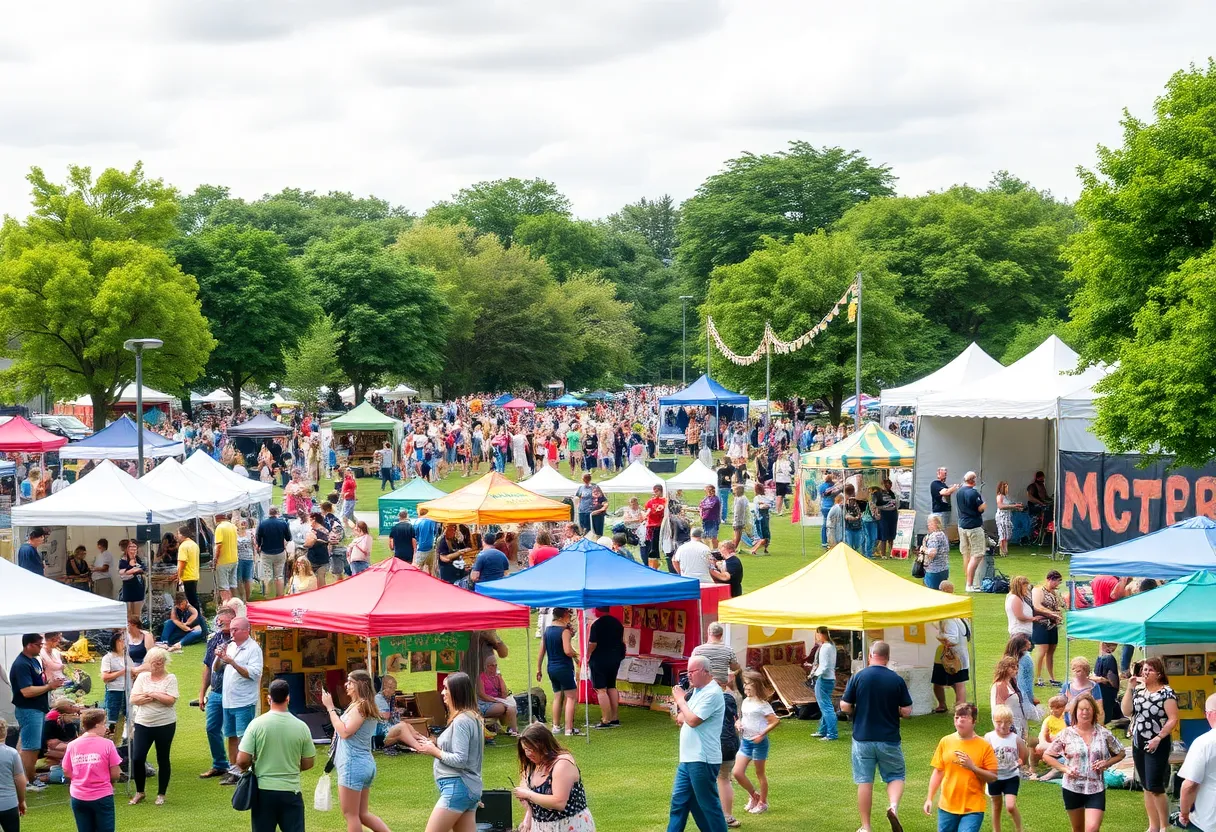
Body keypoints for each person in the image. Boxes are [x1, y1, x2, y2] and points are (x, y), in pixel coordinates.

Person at [840, 641, 913, 832]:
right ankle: (893, 806)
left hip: (862, 737)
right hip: (889, 737)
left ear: (870, 655)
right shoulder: (896, 680)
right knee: (895, 775)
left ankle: (866, 827)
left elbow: (845, 706)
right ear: (887, 658)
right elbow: (906, 710)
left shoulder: (858, 677)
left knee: (865, 780)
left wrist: (856, 710)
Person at [402, 672, 484, 832]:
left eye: (446, 688)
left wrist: (434, 751)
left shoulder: (461, 721)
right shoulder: (472, 717)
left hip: (458, 787)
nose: (442, 692)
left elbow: (460, 759)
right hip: (469, 787)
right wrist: (432, 743)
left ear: (457, 692)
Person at [236, 678, 316, 832]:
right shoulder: (301, 727)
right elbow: (308, 762)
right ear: (288, 698)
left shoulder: (256, 725)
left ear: (268, 698)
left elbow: (242, 760)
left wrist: (252, 765)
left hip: (263, 792)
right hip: (291, 790)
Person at [1044, 693, 1125, 832]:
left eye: (1088, 709)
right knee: (1078, 829)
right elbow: (1047, 755)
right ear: (1075, 712)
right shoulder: (1067, 734)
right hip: (1072, 787)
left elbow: (1121, 753)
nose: (1085, 712)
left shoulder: (1103, 733)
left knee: (1092, 828)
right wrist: (1065, 769)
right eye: (1081, 709)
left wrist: (1107, 763)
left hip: (1096, 787)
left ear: (1094, 711)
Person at [321, 670, 390, 832]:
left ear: (361, 684)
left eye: (350, 682)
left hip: (353, 765)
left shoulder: (362, 706)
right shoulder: (360, 705)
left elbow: (345, 732)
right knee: (362, 814)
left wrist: (330, 708)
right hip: (362, 763)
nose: (347, 685)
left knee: (351, 815)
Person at [667, 654, 727, 832]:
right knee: (680, 804)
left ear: (704, 671)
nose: (688, 675)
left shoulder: (713, 693)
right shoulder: (697, 692)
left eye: (691, 671)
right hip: (688, 758)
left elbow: (692, 720)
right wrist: (683, 703)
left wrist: (680, 700)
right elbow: (680, 718)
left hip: (703, 759)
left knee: (708, 805)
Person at [1121, 657, 1179, 832]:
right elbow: (1126, 711)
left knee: (1155, 786)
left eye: (1149, 670)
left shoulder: (1166, 693)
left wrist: (1158, 737)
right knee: (1146, 785)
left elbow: (1173, 718)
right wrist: (1130, 688)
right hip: (1139, 742)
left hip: (1157, 742)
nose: (1145, 673)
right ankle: (1152, 825)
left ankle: (1164, 826)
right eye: (1144, 670)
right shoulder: (1139, 690)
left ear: (1159, 673)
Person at [923, 702, 998, 832]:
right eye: (957, 717)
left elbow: (992, 777)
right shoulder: (945, 741)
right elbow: (938, 771)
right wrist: (929, 798)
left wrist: (973, 767)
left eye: (964, 718)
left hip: (973, 808)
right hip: (947, 806)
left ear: (974, 721)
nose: (959, 721)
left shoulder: (984, 746)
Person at [513, 724, 596, 832]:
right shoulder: (532, 764)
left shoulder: (562, 764)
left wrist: (527, 794)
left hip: (569, 825)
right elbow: (527, 789)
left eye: (532, 749)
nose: (528, 754)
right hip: (541, 827)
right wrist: (528, 815)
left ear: (544, 745)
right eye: (525, 749)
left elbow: (559, 802)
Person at [10, 634, 63, 791]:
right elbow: (26, 691)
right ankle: (29, 780)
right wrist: (49, 687)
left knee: (25, 746)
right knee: (30, 748)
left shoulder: (33, 660)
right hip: (29, 710)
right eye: (39, 645)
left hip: (36, 709)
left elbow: (36, 684)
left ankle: (20, 778)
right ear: (29, 645)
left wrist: (49, 684)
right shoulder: (21, 664)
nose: (41, 647)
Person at [129, 647, 179, 806]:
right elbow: (134, 699)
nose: (157, 666)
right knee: (137, 757)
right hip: (143, 722)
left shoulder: (170, 678)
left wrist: (152, 694)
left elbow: (170, 700)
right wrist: (156, 696)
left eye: (159, 663)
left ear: (164, 662)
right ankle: (140, 791)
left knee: (162, 757)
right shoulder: (143, 677)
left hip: (165, 723)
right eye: (153, 663)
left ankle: (161, 794)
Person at [217, 617, 264, 786]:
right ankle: (233, 770)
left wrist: (232, 662)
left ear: (246, 631)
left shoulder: (253, 649)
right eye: (231, 629)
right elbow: (217, 669)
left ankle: (245, 772)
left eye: (235, 630)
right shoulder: (230, 646)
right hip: (228, 700)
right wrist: (218, 657)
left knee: (244, 737)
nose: (232, 632)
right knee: (230, 736)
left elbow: (252, 674)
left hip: (244, 701)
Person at [62, 708, 122, 832]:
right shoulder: (107, 744)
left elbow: (67, 771)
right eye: (104, 723)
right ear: (98, 725)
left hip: (78, 796)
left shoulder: (72, 745)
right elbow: (116, 773)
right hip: (102, 795)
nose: (106, 728)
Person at [733, 670, 778, 816]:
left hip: (759, 743)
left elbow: (775, 721)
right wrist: (738, 723)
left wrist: (761, 734)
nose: (746, 691)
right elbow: (741, 717)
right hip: (745, 741)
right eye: (745, 688)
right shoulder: (746, 701)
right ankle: (754, 795)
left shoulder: (763, 705)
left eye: (749, 689)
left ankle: (763, 803)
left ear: (757, 687)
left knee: (760, 774)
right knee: (737, 773)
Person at [198, 607, 235, 780]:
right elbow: (207, 666)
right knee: (212, 728)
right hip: (215, 692)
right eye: (218, 621)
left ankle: (236, 769)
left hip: (234, 694)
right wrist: (201, 693)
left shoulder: (239, 641)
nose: (219, 624)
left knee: (233, 732)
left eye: (223, 622)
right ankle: (220, 764)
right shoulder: (214, 639)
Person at [985, 705, 1027, 832]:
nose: (1003, 725)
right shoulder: (989, 737)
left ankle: (1019, 828)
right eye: (999, 722)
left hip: (1011, 776)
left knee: (1010, 806)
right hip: (994, 777)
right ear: (993, 721)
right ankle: (996, 830)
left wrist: (1021, 761)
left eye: (1007, 722)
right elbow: (984, 754)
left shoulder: (1015, 738)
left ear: (1011, 722)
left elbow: (1024, 753)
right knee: (996, 805)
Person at [537, 608, 579, 736]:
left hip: (551, 667)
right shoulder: (564, 631)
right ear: (564, 615)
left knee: (557, 696)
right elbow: (567, 650)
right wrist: (576, 655)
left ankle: (556, 726)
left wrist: (538, 668)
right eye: (569, 615)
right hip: (564, 667)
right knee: (571, 696)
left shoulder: (547, 630)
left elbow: (541, 651)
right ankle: (569, 728)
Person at [1179, 692, 1216, 832]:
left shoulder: (1203, 743)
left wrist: (1184, 813)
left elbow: (1189, 785)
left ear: (1210, 714)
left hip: (1209, 820)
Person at [931, 582, 970, 713]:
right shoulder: (961, 612)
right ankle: (951, 706)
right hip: (960, 653)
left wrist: (940, 635)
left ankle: (959, 708)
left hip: (953, 654)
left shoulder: (948, 615)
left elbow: (953, 639)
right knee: (956, 682)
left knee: (957, 683)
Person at [587, 607, 624, 729]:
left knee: (601, 689)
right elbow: (622, 641)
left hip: (599, 659)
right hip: (615, 658)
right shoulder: (617, 623)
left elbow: (593, 643)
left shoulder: (596, 624)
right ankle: (614, 717)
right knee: (612, 686)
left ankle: (605, 719)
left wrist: (587, 654)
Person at [691, 622, 742, 699]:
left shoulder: (697, 650)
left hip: (702, 689)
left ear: (708, 632)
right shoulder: (728, 650)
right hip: (720, 689)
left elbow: (691, 669)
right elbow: (734, 668)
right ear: (721, 635)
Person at [1031, 570, 1064, 686]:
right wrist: (1051, 613)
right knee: (1042, 651)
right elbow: (1037, 606)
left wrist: (1058, 614)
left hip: (1053, 625)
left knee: (1051, 651)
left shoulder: (1055, 593)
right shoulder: (1038, 590)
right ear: (1050, 579)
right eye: (1057, 582)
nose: (1057, 585)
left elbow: (1060, 606)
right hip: (1041, 624)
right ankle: (1037, 677)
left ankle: (1051, 677)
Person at [955, 472, 986, 592]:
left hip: (962, 525)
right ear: (973, 480)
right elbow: (980, 508)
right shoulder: (973, 493)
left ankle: (968, 581)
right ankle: (970, 584)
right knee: (977, 554)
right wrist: (984, 505)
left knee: (966, 554)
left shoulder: (959, 492)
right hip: (973, 526)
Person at [807, 626, 838, 741]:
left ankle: (832, 734)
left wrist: (813, 675)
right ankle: (823, 730)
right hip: (830, 678)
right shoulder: (832, 645)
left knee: (826, 707)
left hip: (824, 679)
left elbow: (823, 666)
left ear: (820, 634)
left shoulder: (825, 647)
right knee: (826, 705)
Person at [100, 632, 132, 739]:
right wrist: (122, 671)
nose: (124, 643)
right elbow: (105, 677)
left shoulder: (127, 657)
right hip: (114, 691)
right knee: (112, 719)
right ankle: (110, 743)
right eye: (121, 640)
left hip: (128, 692)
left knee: (125, 719)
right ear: (115, 642)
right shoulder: (108, 658)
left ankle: (121, 744)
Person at [476, 656, 519, 736]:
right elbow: (482, 695)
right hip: (485, 703)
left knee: (511, 708)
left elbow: (504, 694)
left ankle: (514, 731)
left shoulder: (497, 677)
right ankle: (510, 728)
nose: (494, 667)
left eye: (495, 665)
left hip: (499, 701)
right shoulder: (481, 678)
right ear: (487, 666)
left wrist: (500, 678)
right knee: (503, 707)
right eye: (492, 665)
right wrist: (495, 700)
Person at [254, 507, 291, 599]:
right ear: (277, 513)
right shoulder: (283, 523)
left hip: (266, 552)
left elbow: (258, 539)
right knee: (279, 576)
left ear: (269, 513)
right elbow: (288, 538)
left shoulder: (262, 524)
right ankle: (280, 596)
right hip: (280, 551)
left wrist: (258, 546)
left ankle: (269, 597)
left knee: (268, 576)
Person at [1030, 695, 1067, 780]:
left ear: (1063, 708)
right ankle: (1034, 766)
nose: (1053, 710)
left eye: (1057, 708)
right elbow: (1043, 734)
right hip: (1049, 744)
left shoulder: (1065, 719)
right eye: (1051, 708)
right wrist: (1046, 742)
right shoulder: (1048, 720)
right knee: (1037, 745)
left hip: (1061, 745)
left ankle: (1056, 766)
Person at [990, 657, 1027, 741]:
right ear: (1005, 668)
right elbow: (999, 709)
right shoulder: (1000, 685)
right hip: (1008, 725)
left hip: (1017, 722)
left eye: (1016, 667)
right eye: (1013, 667)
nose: (1016, 670)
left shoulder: (1012, 682)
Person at [1060, 657, 1103, 723]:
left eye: (1078, 671)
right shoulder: (1066, 686)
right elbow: (1060, 706)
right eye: (1073, 670)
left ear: (1086, 672)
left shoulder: (1094, 687)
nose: (1075, 673)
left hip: (1088, 722)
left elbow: (1099, 709)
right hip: (1069, 724)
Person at [214, 512, 240, 604]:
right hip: (234, 559)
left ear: (217, 518)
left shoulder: (219, 528)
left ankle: (227, 607)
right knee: (233, 584)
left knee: (223, 587)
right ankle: (237, 605)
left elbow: (219, 545)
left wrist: (215, 560)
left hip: (223, 561)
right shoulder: (232, 526)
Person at [919, 515, 951, 589]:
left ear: (936, 524)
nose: (928, 525)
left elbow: (932, 553)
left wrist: (923, 549)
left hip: (934, 570)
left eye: (930, 523)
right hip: (944, 568)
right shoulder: (942, 534)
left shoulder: (934, 536)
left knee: (932, 593)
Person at [118, 540, 146, 622]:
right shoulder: (123, 560)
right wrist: (133, 570)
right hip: (128, 587)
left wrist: (135, 570)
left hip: (138, 587)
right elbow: (123, 574)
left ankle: (137, 630)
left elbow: (143, 568)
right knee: (129, 613)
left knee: (137, 614)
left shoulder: (138, 559)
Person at [994, 482, 1022, 556]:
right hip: (1001, 516)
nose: (1007, 489)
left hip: (1007, 516)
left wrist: (1016, 508)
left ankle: (1005, 550)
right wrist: (1014, 506)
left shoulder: (1006, 496)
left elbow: (1008, 506)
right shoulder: (999, 496)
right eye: (1006, 487)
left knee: (1007, 534)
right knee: (1002, 533)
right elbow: (1000, 506)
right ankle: (1001, 550)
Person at [645, 485, 668, 566]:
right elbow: (647, 510)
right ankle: (653, 558)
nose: (655, 492)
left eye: (657, 491)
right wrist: (645, 515)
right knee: (652, 542)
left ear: (661, 491)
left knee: (658, 540)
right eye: (654, 490)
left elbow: (663, 508)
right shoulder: (650, 501)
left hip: (660, 524)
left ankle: (658, 556)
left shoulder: (664, 500)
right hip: (651, 524)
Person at [235, 516, 257, 602]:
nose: (243, 524)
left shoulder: (250, 533)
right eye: (241, 523)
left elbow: (254, 546)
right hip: (239, 559)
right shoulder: (235, 534)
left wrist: (255, 556)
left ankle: (247, 599)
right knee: (239, 579)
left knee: (248, 579)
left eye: (244, 523)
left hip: (249, 558)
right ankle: (241, 598)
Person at [698, 485, 721, 550]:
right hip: (706, 520)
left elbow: (710, 506)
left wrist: (702, 507)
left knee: (713, 537)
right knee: (706, 536)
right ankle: (708, 549)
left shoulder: (715, 499)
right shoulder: (706, 498)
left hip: (713, 520)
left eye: (706, 490)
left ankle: (716, 550)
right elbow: (701, 504)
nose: (706, 492)